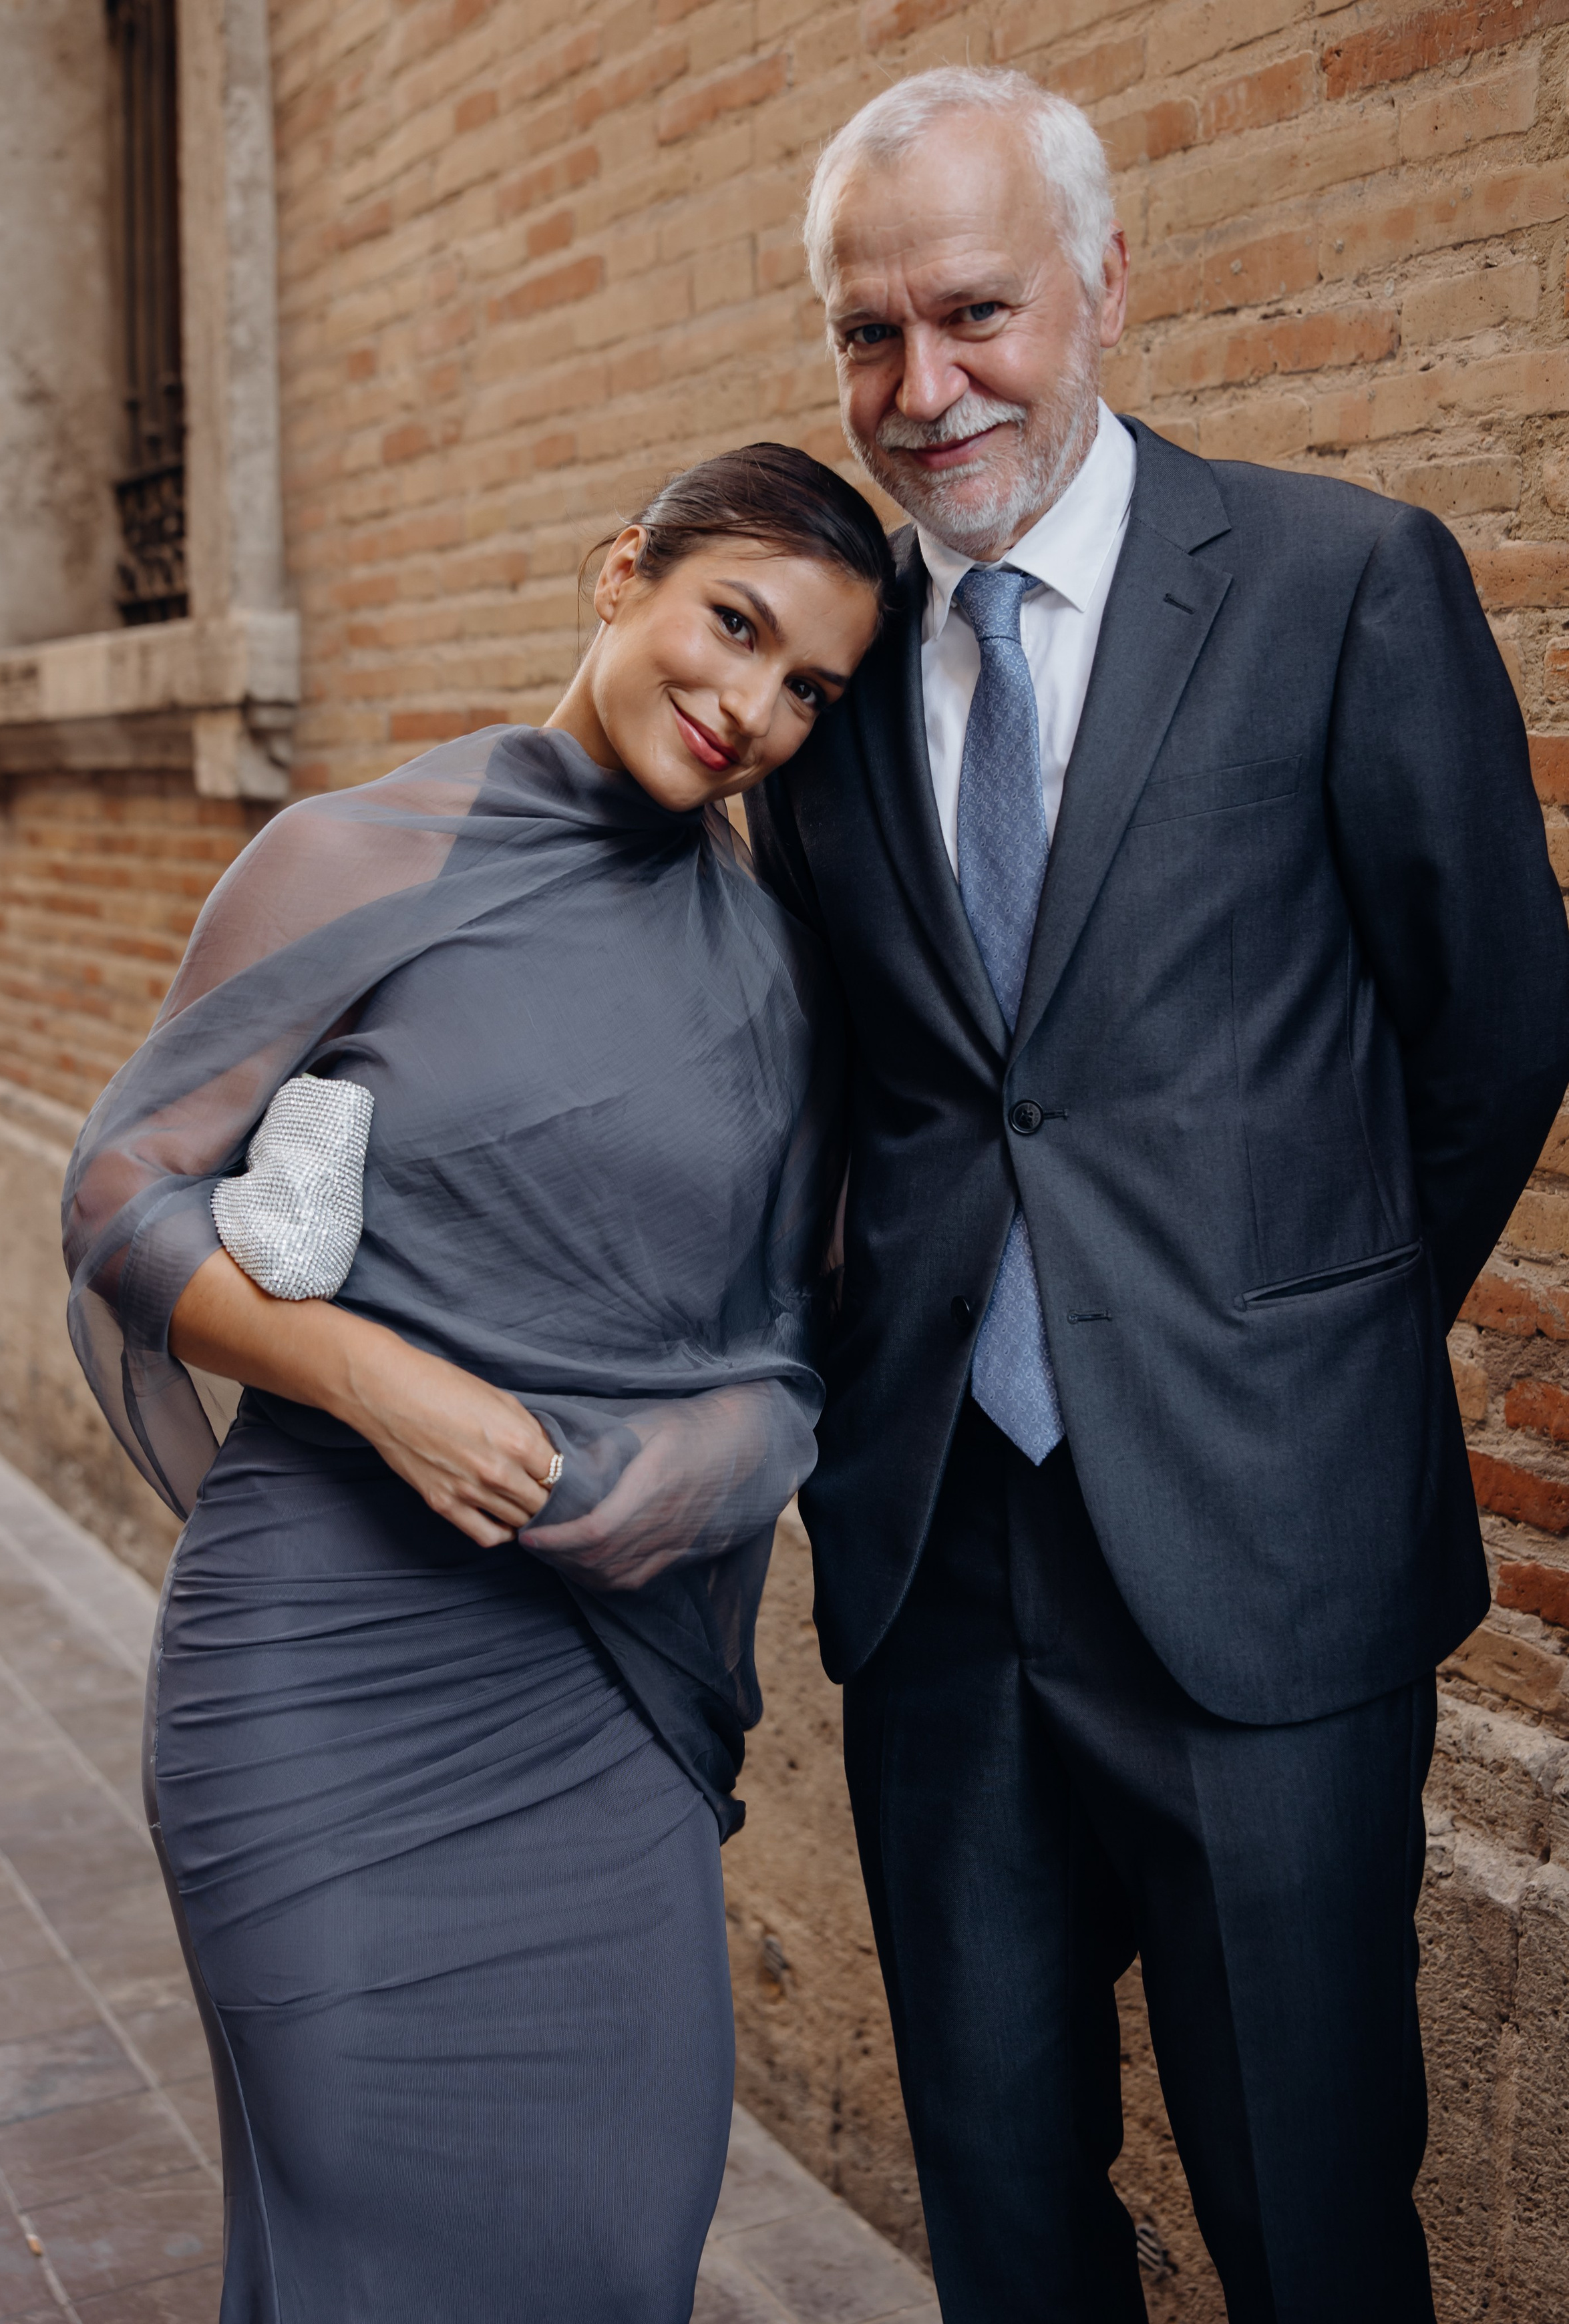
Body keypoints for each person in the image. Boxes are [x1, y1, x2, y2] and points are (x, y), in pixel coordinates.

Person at [746, 65, 1569, 2324]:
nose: (924, 391)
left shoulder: (1337, 583)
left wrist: (1288, 1331)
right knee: (999, 2212)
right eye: (867, 333)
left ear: (1107, 283)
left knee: (1310, 2215)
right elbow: (864, 1098)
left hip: (1268, 1553)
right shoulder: (817, 686)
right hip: (940, 1563)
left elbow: (1494, 1029)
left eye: (977, 311)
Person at [61, 443, 890, 2324]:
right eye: (732, 625)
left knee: (615, 2238)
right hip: (328, 1670)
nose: (751, 707)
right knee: (377, 2255)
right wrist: (374, 1380)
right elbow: (121, 1194)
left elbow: (796, 1335)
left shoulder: (774, 966)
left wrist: (715, 1457)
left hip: (603, 1701)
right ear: (623, 577)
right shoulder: (355, 857)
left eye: (809, 688)